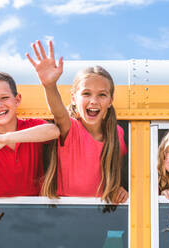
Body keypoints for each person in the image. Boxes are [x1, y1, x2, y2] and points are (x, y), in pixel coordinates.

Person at [26, 40, 128, 203]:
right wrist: (49, 85)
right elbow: (58, 113)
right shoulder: (71, 128)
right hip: (60, 209)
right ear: (73, 98)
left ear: (110, 101)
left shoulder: (117, 133)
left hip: (100, 213)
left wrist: (118, 188)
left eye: (102, 95)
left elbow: (118, 170)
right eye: (86, 94)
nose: (94, 101)